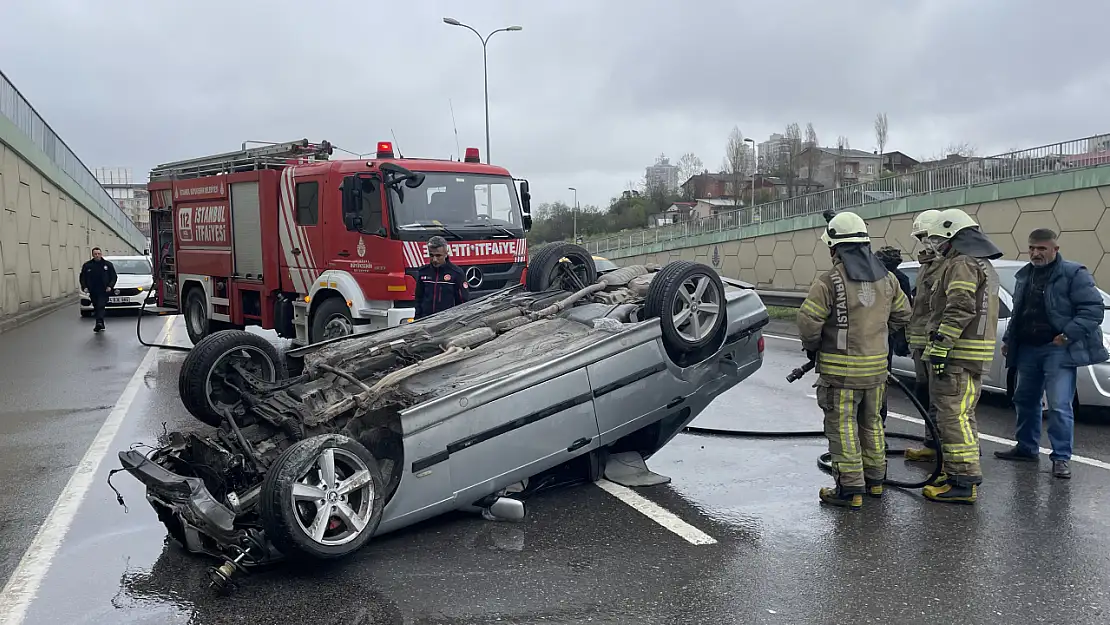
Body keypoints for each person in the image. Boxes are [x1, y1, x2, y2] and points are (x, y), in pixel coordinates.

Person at [798, 211, 912, 509]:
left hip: (840, 374)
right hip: (876, 371)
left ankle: (850, 490)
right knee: (872, 424)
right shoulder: (887, 280)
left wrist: (814, 346)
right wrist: (876, 330)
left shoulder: (829, 281)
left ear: (834, 247)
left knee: (843, 428)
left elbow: (809, 322)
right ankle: (875, 481)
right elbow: (903, 314)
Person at [995, 229, 1107, 479]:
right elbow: (1019, 311)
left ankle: (1061, 458)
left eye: (1042, 248)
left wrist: (1067, 335)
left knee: (1058, 405)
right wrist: (1008, 340)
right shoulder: (1026, 275)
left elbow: (1092, 309)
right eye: (1032, 248)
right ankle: (1026, 448)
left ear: (1055, 249)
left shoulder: (1073, 273)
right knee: (1024, 400)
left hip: (1057, 349)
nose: (1036, 253)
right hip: (1027, 348)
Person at [919, 208, 1002, 504]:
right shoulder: (982, 264)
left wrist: (941, 344)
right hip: (974, 354)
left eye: (941, 239)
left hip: (957, 355)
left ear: (953, 237)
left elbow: (960, 307)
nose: (937, 246)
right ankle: (957, 471)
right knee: (963, 417)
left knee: (952, 416)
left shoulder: (962, 263)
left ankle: (962, 481)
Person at [902, 209, 945, 463]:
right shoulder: (927, 265)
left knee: (939, 398)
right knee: (925, 393)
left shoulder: (945, 266)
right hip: (920, 340)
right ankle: (931, 442)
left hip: (933, 340)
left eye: (925, 237)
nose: (922, 243)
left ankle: (945, 449)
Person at [413, 235, 467, 320]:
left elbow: (463, 302)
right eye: (431, 255)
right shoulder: (423, 272)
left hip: (447, 322)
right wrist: (417, 319)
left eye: (438, 256)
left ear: (446, 254)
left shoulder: (456, 273)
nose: (434, 259)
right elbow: (418, 299)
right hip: (425, 321)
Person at [79, 247, 117, 333]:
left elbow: (114, 277)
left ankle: (99, 323)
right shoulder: (87, 265)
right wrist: (84, 287)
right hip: (93, 290)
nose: (97, 255)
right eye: (95, 254)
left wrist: (110, 286)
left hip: (104, 290)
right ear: (92, 255)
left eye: (98, 254)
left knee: (101, 305)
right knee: (96, 307)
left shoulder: (108, 265)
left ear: (101, 254)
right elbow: (82, 278)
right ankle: (100, 323)